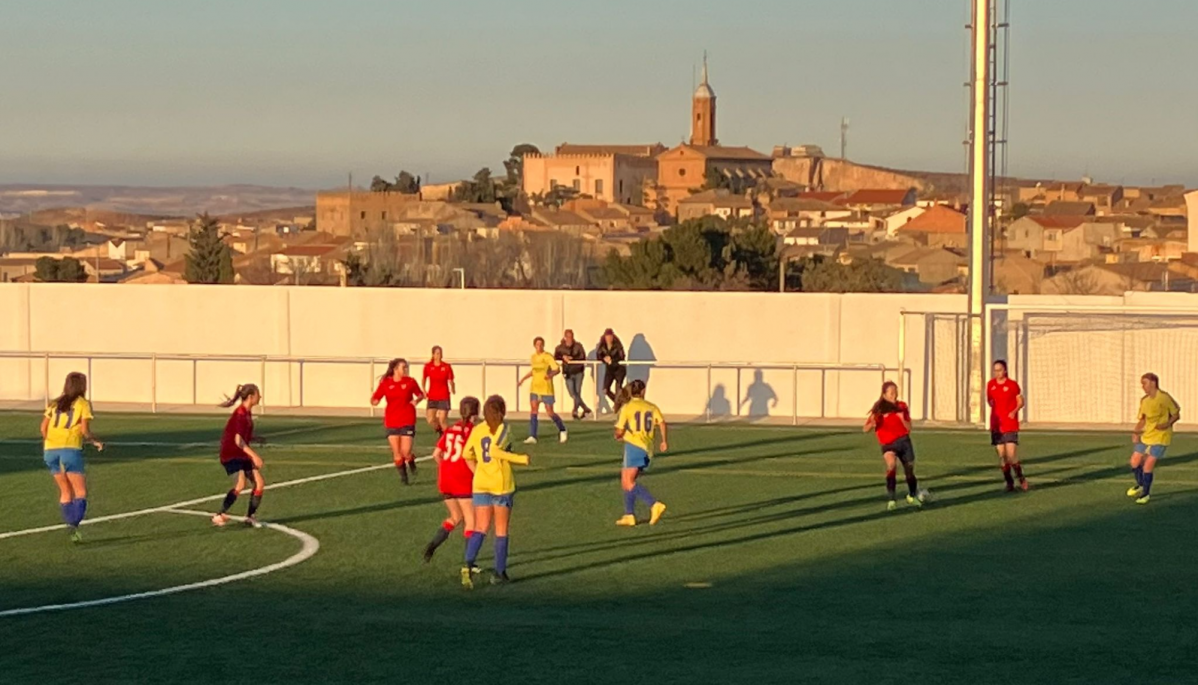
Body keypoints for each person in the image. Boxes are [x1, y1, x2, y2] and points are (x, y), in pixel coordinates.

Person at [460, 395, 531, 587]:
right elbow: (493, 450)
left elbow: (466, 454)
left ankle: (467, 564)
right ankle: (499, 573)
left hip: (481, 484)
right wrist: (520, 458)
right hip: (500, 484)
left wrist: (479, 472)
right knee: (501, 530)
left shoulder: (477, 430)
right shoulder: (504, 428)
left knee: (480, 527)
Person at [41, 372, 103, 543]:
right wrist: (94, 441)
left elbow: (43, 428)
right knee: (80, 492)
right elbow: (84, 431)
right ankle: (73, 525)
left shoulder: (55, 404)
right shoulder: (83, 404)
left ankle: (70, 524)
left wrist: (51, 443)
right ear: (82, 386)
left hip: (50, 450)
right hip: (70, 449)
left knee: (65, 491)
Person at [424, 396, 480, 563]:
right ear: (475, 414)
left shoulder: (450, 430)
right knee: (471, 521)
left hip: (445, 478)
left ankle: (432, 545)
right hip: (462, 479)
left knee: (455, 517)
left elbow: (436, 454)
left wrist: (447, 467)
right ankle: (470, 563)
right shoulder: (473, 431)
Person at [863, 381, 926, 511]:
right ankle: (892, 499)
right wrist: (872, 424)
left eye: (895, 392)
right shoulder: (879, 409)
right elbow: (865, 428)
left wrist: (902, 418)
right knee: (891, 465)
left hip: (904, 441)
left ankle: (911, 495)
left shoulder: (902, 406)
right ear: (884, 394)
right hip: (888, 444)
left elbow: (909, 428)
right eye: (891, 393)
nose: (894, 395)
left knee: (909, 470)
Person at [613, 380, 668, 527]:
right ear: (643, 391)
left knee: (628, 482)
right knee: (626, 480)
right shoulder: (651, 407)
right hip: (646, 448)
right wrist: (664, 441)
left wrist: (618, 435)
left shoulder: (628, 407)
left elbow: (619, 431)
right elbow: (662, 422)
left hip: (634, 447)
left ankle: (654, 504)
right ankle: (629, 515)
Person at [212, 384, 267, 528]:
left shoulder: (247, 413)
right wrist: (254, 456)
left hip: (241, 453)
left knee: (259, 483)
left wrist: (255, 438)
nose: (260, 397)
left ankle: (250, 516)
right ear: (250, 397)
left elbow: (242, 436)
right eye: (258, 394)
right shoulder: (240, 414)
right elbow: (238, 440)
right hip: (231, 454)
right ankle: (219, 514)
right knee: (240, 483)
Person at [1127, 372, 1180, 505]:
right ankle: (1140, 484)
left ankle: (1146, 494)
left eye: (1144, 383)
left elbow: (1176, 414)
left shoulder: (1164, 398)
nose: (1142, 386)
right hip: (1147, 436)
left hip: (1161, 437)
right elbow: (1143, 419)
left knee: (1148, 464)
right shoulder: (1144, 401)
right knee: (1134, 462)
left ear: (1153, 383)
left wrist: (1167, 424)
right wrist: (1136, 432)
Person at [371, 358, 425, 485]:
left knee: (405, 452)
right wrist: (374, 400)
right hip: (392, 420)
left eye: (406, 367)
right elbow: (376, 397)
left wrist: (416, 401)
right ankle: (404, 478)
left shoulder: (410, 382)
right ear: (395, 369)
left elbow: (420, 394)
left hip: (407, 419)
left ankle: (410, 460)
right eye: (403, 367)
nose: (406, 370)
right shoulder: (386, 383)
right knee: (397, 453)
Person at [987, 360, 1028, 492]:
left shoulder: (1012, 385)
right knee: (1002, 456)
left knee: (1011, 455)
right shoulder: (991, 385)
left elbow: (1021, 401)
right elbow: (991, 401)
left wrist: (1014, 411)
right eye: (995, 370)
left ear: (1005, 370)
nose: (997, 372)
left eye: (999, 370)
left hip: (1010, 424)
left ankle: (1021, 477)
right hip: (996, 425)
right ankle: (1009, 482)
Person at [518, 337, 567, 444]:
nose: (539, 347)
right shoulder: (533, 357)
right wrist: (522, 379)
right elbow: (534, 371)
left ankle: (562, 429)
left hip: (546, 388)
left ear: (543, 345)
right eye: (537, 345)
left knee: (550, 412)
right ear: (534, 346)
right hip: (535, 387)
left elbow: (557, 369)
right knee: (534, 410)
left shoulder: (548, 356)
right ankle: (532, 436)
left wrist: (550, 375)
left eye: (541, 344)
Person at [554, 329, 591, 420]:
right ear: (565, 337)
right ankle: (586, 408)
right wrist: (563, 357)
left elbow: (582, 356)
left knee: (577, 392)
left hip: (578, 371)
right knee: (572, 393)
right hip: (568, 373)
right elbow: (555, 356)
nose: (569, 339)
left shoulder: (578, 346)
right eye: (568, 337)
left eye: (571, 337)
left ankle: (575, 411)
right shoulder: (560, 348)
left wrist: (572, 358)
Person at [422, 346, 455, 435]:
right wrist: (424, 390)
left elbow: (451, 380)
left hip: (443, 396)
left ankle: (448, 437)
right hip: (432, 396)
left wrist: (453, 388)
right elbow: (424, 378)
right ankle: (440, 431)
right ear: (433, 355)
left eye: (440, 353)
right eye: (437, 353)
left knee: (442, 419)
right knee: (430, 419)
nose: (439, 355)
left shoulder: (446, 366)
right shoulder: (428, 366)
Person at [597, 329, 626, 413]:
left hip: (619, 369)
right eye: (607, 337)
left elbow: (622, 356)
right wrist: (604, 358)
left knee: (618, 389)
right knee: (605, 389)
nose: (609, 338)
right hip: (610, 370)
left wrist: (612, 360)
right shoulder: (602, 345)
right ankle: (618, 404)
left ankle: (618, 407)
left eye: (610, 337)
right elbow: (599, 354)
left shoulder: (617, 344)